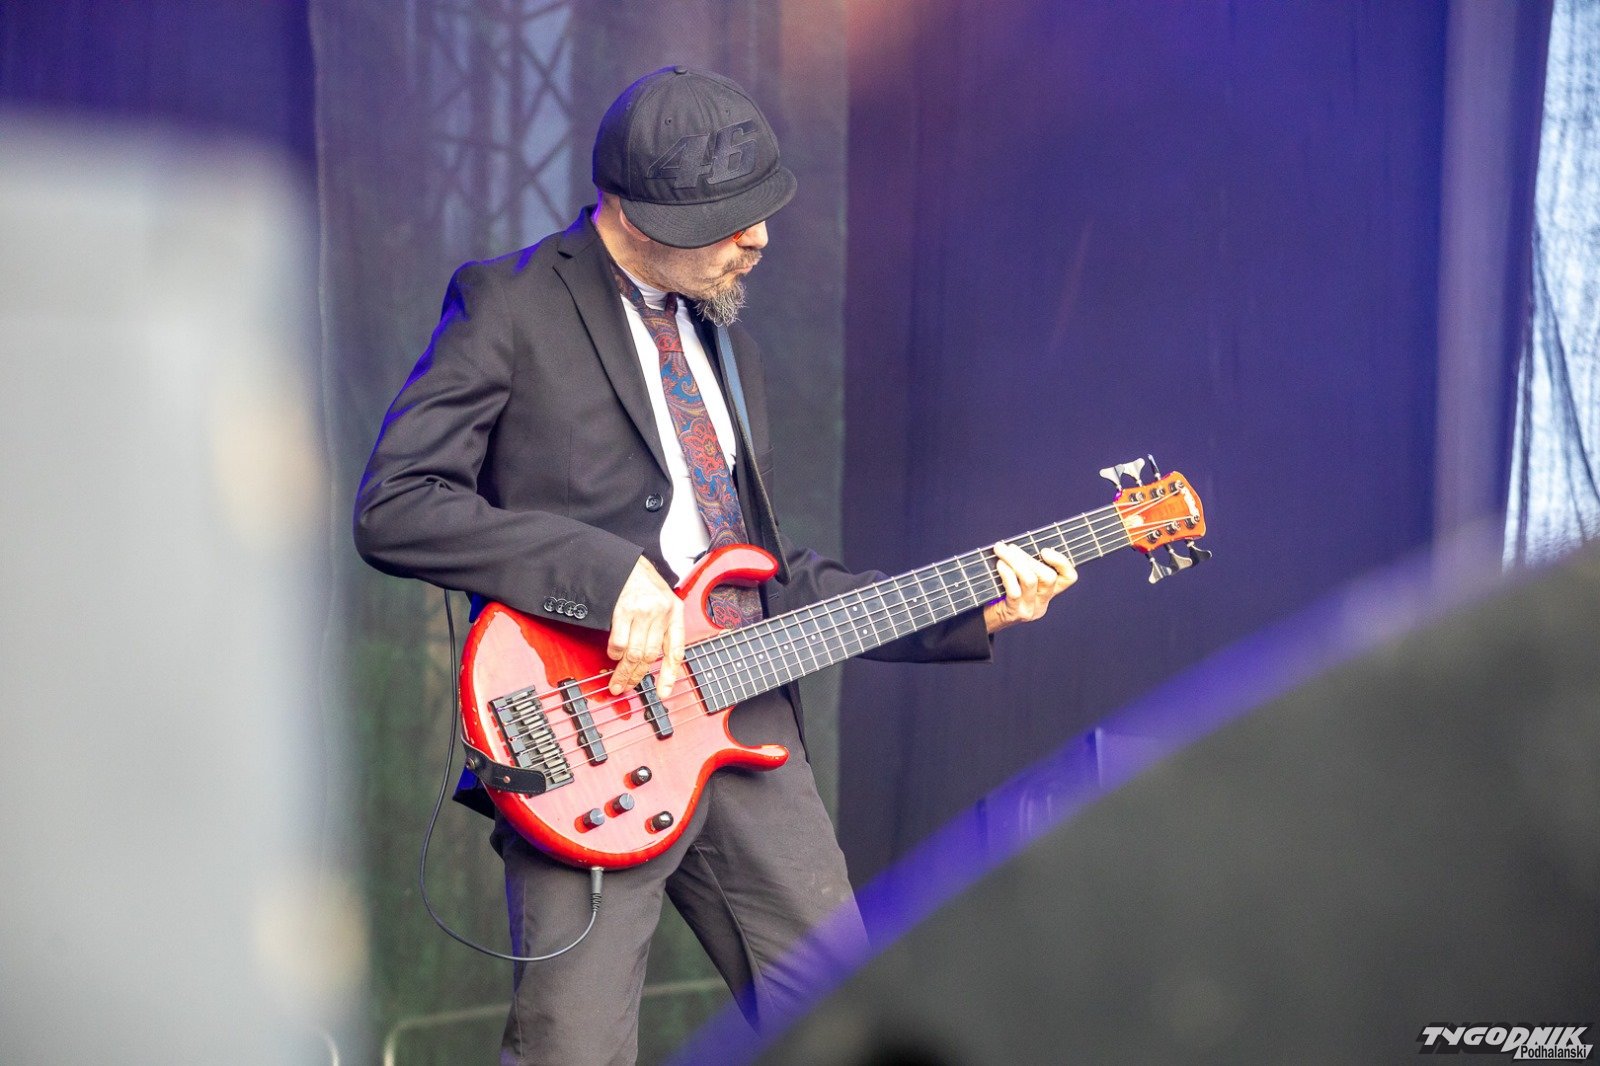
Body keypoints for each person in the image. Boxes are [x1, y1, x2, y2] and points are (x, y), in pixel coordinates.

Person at [354, 65, 1077, 1066]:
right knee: (573, 1050)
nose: (759, 238)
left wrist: (968, 606)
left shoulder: (721, 335)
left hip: (745, 719)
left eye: (761, 209)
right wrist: (602, 573)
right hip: (588, 734)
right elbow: (396, 505)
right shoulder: (509, 304)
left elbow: (762, 579)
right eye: (727, 219)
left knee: (850, 1027)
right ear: (631, 211)